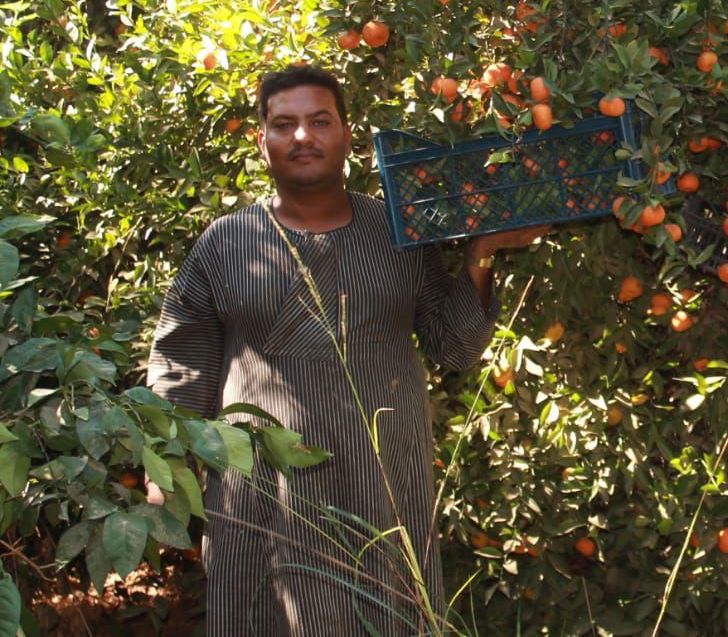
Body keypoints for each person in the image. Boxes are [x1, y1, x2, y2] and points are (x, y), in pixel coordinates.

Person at [147, 65, 544, 635]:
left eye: (319, 121)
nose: (302, 137)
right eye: (284, 124)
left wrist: (479, 254)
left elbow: (453, 346)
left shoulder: (397, 231)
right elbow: (182, 362)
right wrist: (165, 464)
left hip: (382, 485)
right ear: (263, 141)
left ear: (346, 135)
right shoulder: (228, 242)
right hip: (261, 493)